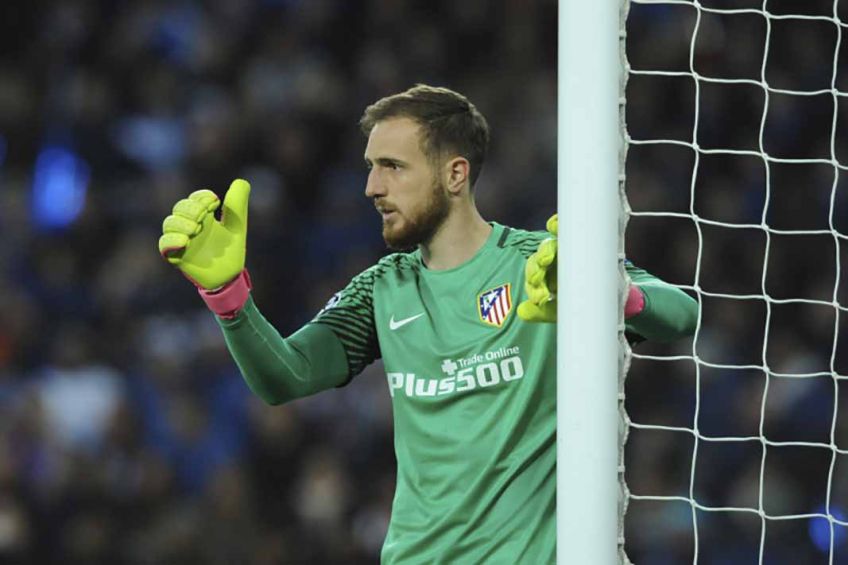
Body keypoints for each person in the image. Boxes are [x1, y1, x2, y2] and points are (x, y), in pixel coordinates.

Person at [158, 84, 698, 563]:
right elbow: (285, 377)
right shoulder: (382, 288)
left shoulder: (543, 263)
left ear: (454, 173)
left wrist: (610, 294)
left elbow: (680, 313)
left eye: (392, 166)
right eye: (370, 167)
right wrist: (227, 297)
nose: (372, 187)